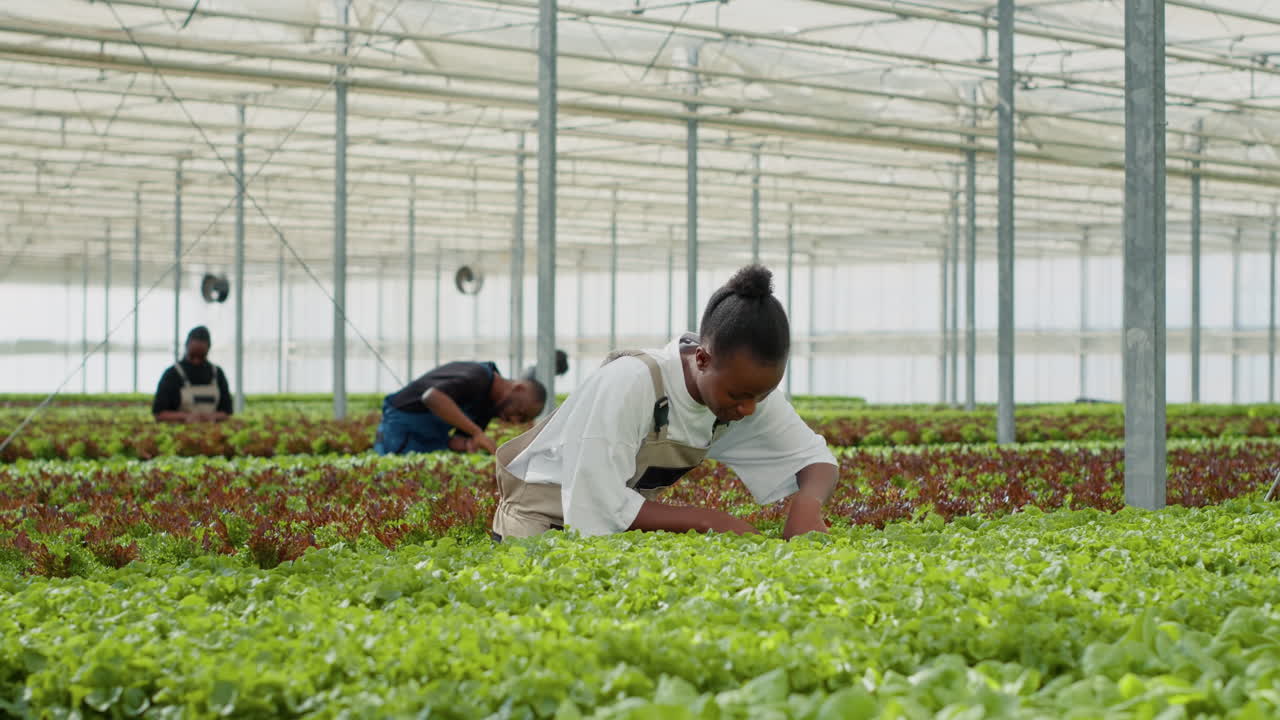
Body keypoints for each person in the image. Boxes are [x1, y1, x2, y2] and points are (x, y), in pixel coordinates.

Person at [492, 265, 837, 541]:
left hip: (611, 532)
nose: (749, 409)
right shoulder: (631, 382)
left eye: (760, 396)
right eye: (739, 396)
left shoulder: (739, 389)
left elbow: (815, 459)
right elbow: (598, 503)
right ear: (702, 359)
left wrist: (806, 505)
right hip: (539, 522)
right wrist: (708, 519)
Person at [374, 360, 547, 455]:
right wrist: (477, 433)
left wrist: (469, 445)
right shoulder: (478, 376)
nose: (514, 420)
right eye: (520, 412)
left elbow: (454, 441)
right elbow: (432, 397)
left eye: (522, 420)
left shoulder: (487, 410)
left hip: (427, 440)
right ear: (518, 389)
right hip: (399, 429)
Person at [152, 326, 233, 423]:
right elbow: (159, 413)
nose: (196, 361)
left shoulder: (217, 374)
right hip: (179, 433)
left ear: (208, 348)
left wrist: (211, 416)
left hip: (212, 431)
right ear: (187, 345)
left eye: (200, 356)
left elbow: (227, 412)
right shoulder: (172, 374)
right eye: (193, 355)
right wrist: (185, 416)